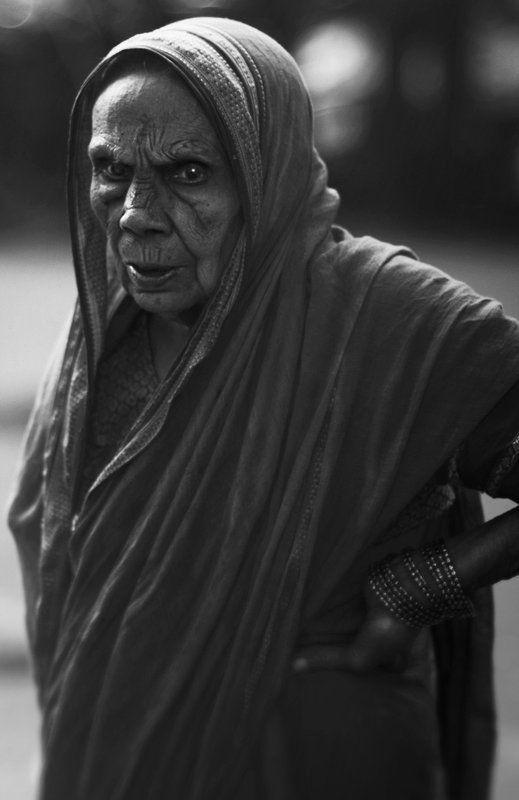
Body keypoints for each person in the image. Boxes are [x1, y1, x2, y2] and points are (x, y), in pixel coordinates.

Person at [7, 16, 519, 800]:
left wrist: (428, 584)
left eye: (185, 173)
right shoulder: (102, 329)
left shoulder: (388, 318)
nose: (134, 212)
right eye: (109, 169)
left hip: (325, 757)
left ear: (265, 171)